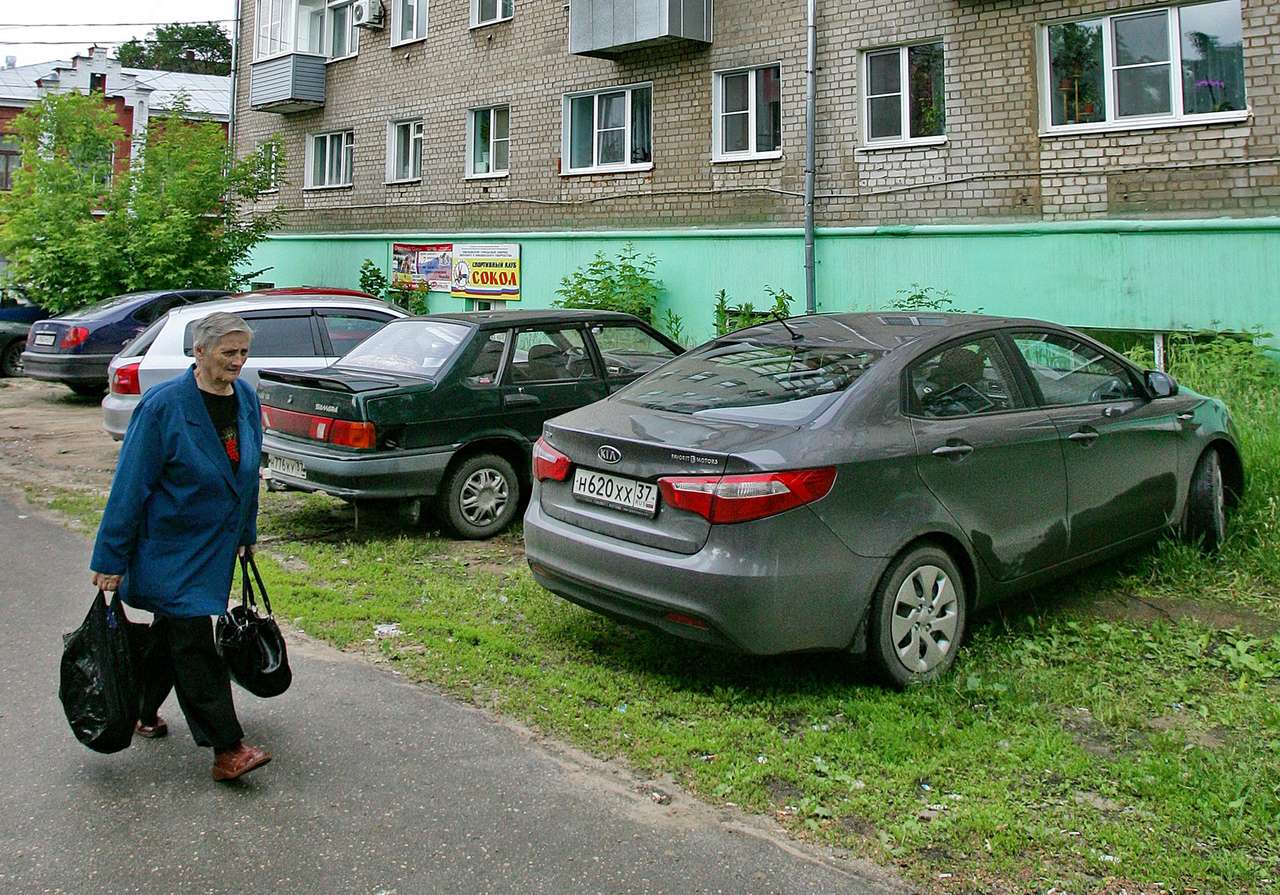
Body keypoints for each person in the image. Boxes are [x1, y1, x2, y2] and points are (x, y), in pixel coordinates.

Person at [89, 312, 271, 782]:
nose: (237, 361)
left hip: (214, 545)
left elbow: (246, 476)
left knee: (173, 634)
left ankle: (139, 710)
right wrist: (110, 558)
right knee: (192, 641)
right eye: (228, 353)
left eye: (243, 352)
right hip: (168, 547)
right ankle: (227, 748)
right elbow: (130, 486)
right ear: (199, 352)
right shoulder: (164, 407)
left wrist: (246, 534)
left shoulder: (245, 399)